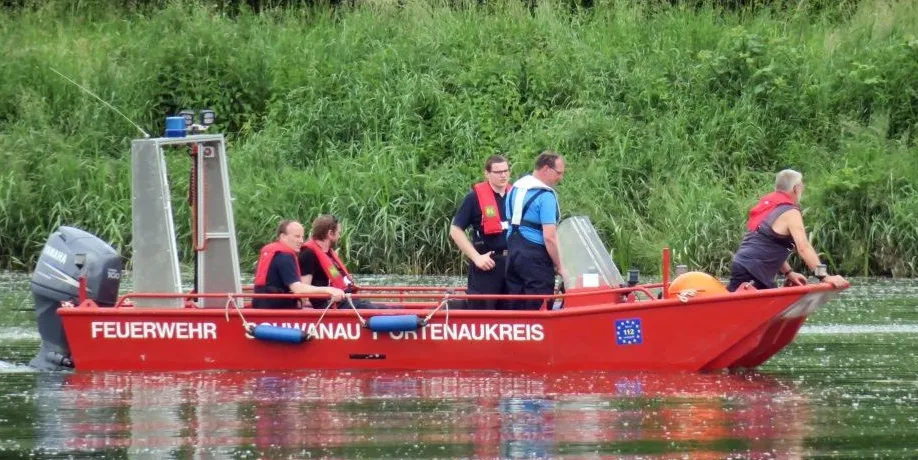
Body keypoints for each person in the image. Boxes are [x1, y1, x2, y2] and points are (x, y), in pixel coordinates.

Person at [727, 169, 848, 292]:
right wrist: (824, 276)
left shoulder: (768, 207)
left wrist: (789, 272)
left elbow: (768, 246)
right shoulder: (790, 212)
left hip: (743, 266)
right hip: (753, 272)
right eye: (802, 186)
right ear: (796, 188)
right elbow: (804, 248)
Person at [504, 151, 566, 310]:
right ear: (546, 169)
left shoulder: (513, 190)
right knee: (539, 304)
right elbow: (550, 237)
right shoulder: (545, 196)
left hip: (513, 255)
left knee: (516, 302)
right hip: (535, 258)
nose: (560, 178)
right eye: (559, 173)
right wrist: (560, 266)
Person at [449, 154, 512, 309]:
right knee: (484, 309)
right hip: (487, 264)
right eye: (498, 172)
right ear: (487, 173)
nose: (503, 175)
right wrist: (476, 257)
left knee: (513, 309)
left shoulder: (516, 195)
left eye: (506, 171)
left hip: (512, 264)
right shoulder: (473, 198)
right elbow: (455, 230)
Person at [299, 214, 387, 309]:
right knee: (378, 311)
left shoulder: (327, 253)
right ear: (330, 234)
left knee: (387, 308)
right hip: (330, 305)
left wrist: (348, 284)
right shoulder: (308, 254)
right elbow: (304, 289)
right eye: (338, 233)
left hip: (345, 300)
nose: (339, 236)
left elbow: (334, 276)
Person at [252, 220, 345, 309]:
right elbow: (297, 288)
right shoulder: (285, 256)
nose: (301, 241)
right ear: (283, 236)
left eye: (302, 237)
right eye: (297, 236)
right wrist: (328, 290)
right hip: (276, 309)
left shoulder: (274, 253)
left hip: (263, 305)